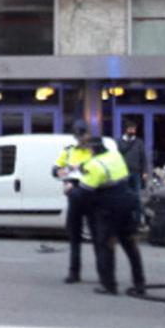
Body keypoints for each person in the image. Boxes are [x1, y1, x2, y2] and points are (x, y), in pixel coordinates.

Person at [81, 137, 146, 296]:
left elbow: (86, 190)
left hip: (109, 208)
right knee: (131, 247)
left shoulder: (94, 165)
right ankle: (140, 284)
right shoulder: (115, 156)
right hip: (127, 203)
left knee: (106, 246)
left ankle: (109, 285)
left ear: (92, 149)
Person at [53, 120, 94, 283]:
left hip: (91, 193)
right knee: (74, 236)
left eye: (83, 134)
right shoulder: (69, 151)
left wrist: (75, 169)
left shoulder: (94, 150)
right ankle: (74, 272)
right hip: (74, 194)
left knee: (97, 235)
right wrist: (65, 175)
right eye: (78, 135)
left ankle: (104, 273)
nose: (81, 139)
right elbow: (55, 170)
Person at [117, 120, 148, 224]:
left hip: (136, 173)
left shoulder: (139, 142)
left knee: (136, 196)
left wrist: (144, 171)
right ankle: (125, 219)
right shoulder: (119, 141)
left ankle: (137, 220)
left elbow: (143, 158)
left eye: (134, 129)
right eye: (130, 129)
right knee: (123, 196)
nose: (132, 131)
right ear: (126, 129)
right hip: (123, 173)